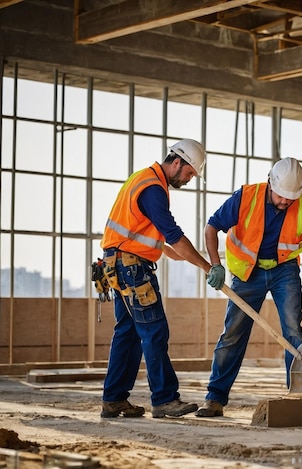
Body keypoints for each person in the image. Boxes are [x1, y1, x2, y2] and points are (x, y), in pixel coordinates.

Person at [195, 157, 302, 418]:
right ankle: (215, 398)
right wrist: (215, 265)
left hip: (284, 271)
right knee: (232, 333)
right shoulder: (245, 197)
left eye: (291, 197)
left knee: (293, 335)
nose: (286, 201)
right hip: (247, 273)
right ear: (270, 183)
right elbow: (211, 228)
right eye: (281, 196)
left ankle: (297, 397)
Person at [99, 139, 218, 419]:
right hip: (132, 268)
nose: (189, 179)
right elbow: (173, 233)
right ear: (176, 162)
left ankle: (114, 399)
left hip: (117, 263)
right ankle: (164, 399)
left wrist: (159, 249)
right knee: (154, 331)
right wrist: (207, 267)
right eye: (189, 173)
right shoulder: (153, 188)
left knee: (127, 333)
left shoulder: (141, 178)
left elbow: (133, 230)